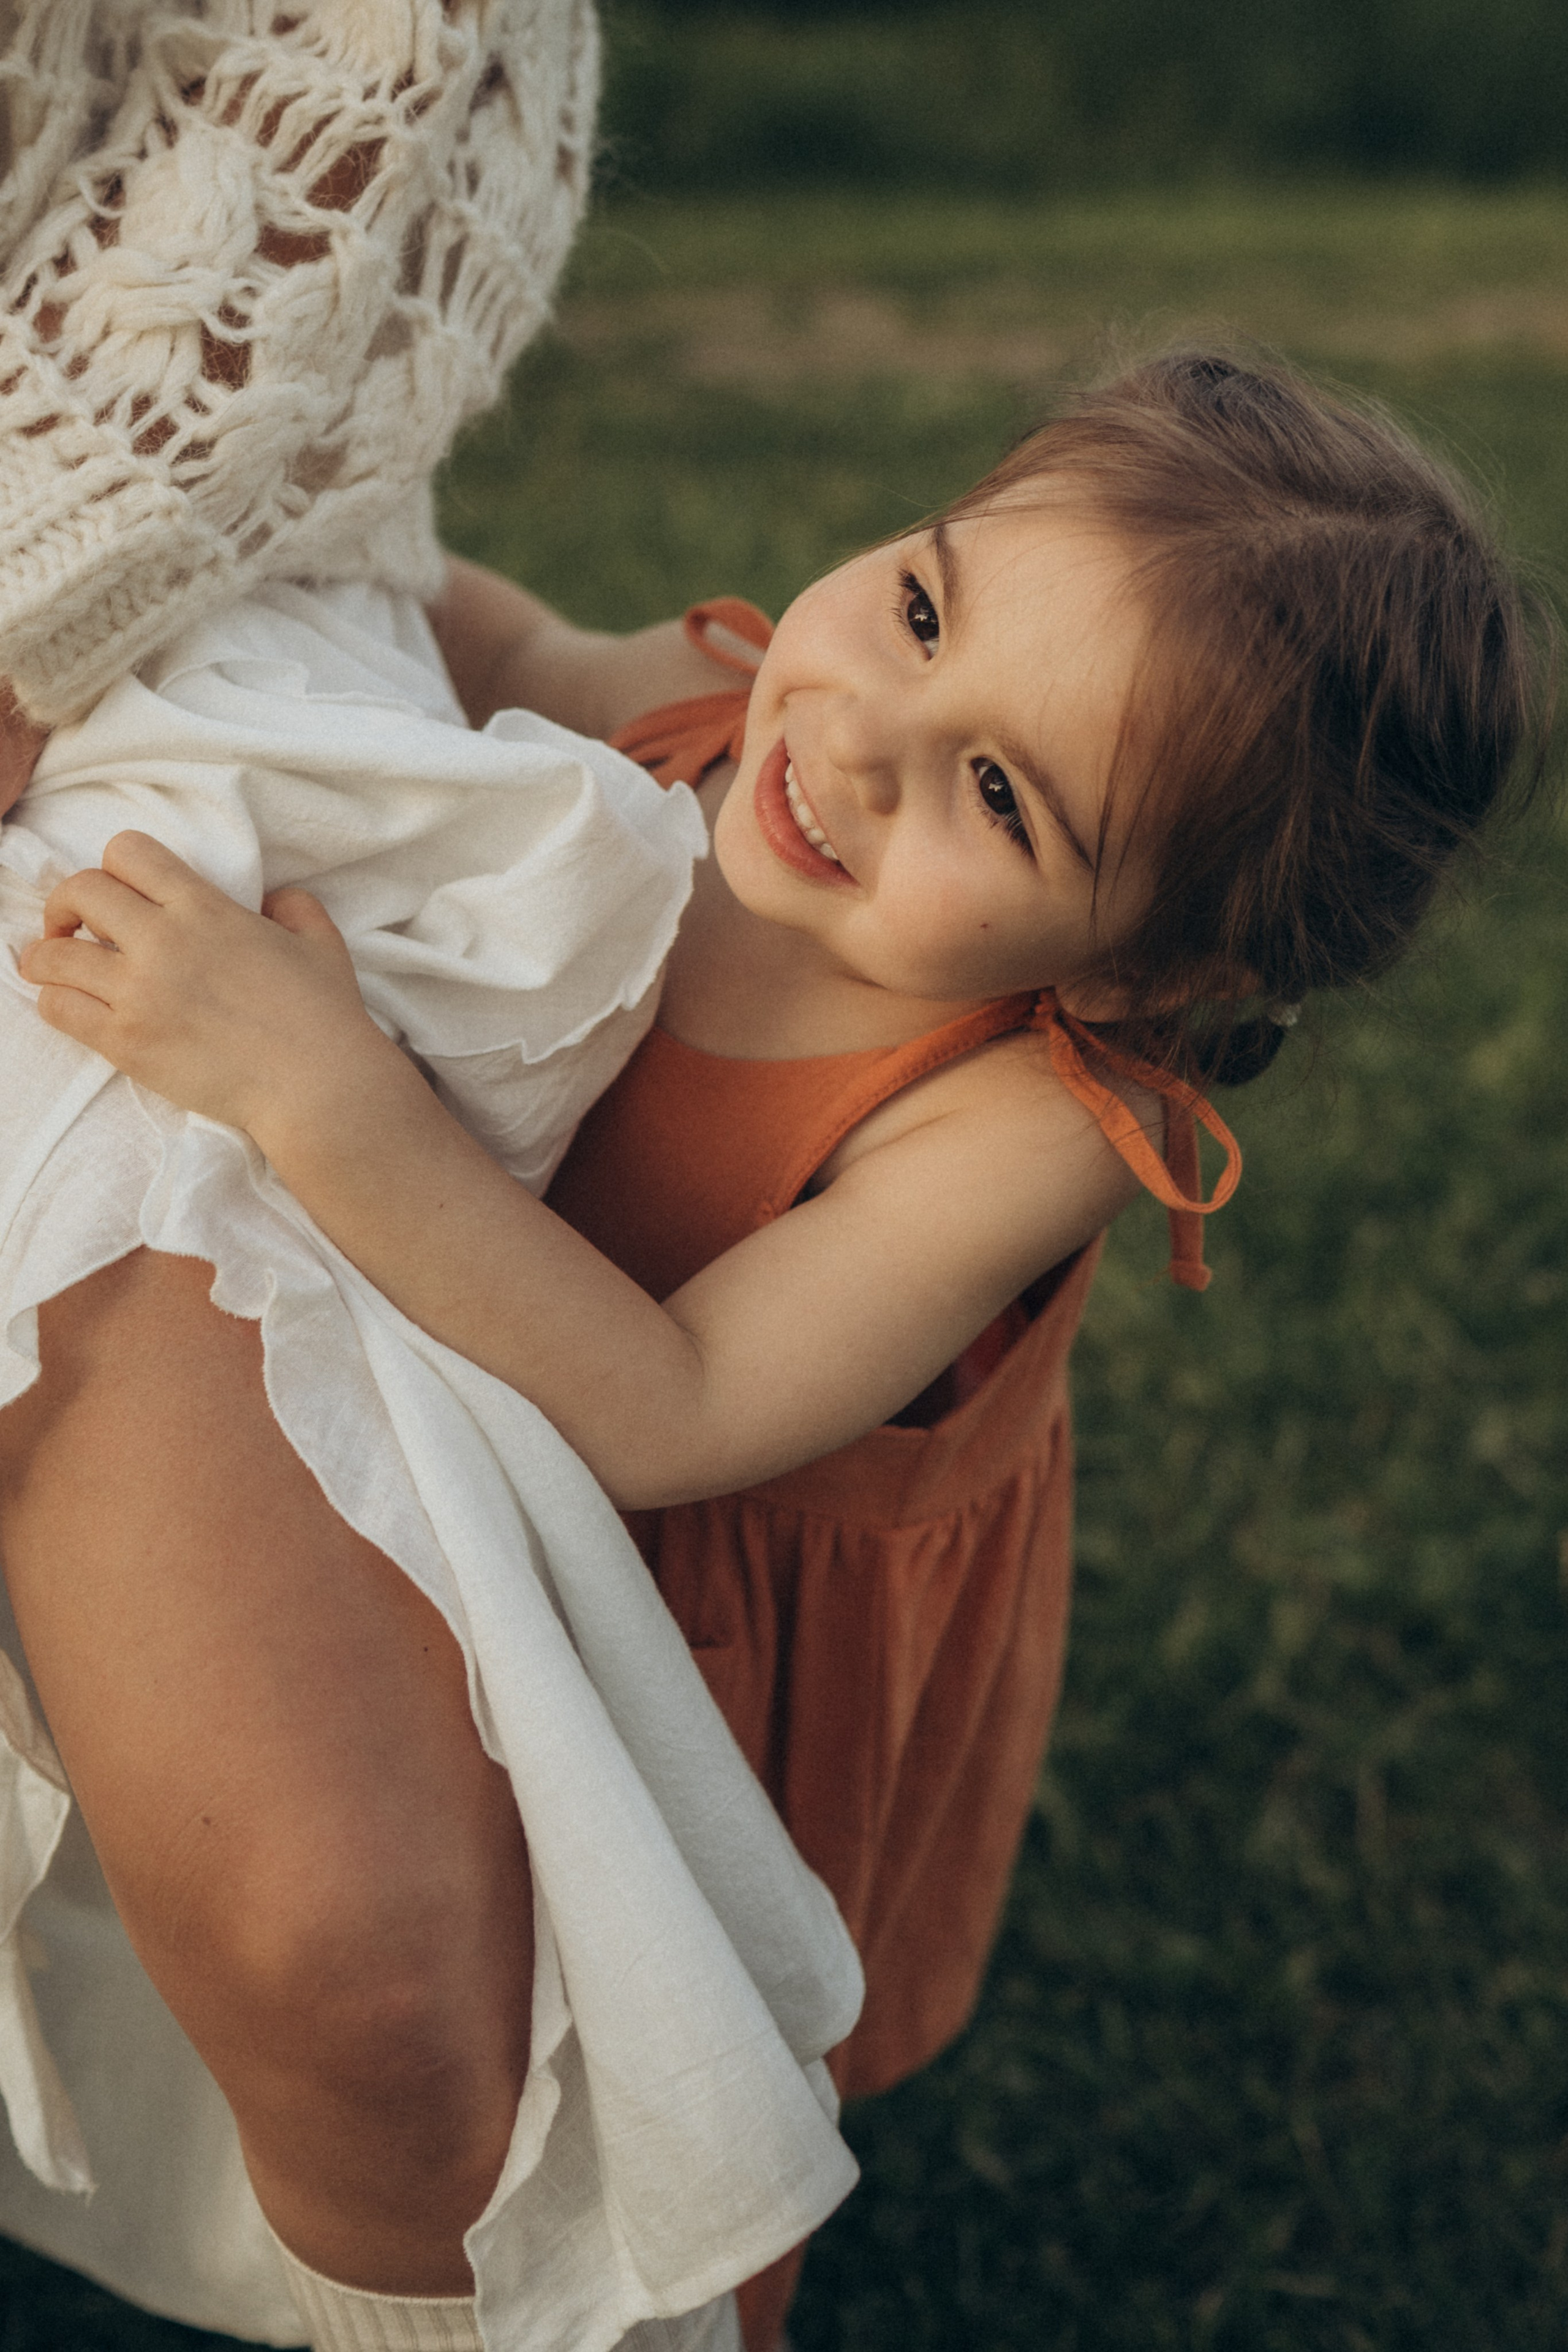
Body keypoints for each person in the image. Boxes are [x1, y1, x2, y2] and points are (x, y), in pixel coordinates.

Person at [20, 350, 1548, 2350]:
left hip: (710, 1593)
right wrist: (289, 515)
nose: (864, 740)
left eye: (1003, 795)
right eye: (923, 606)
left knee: (631, 1994)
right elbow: (474, 622)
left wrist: (333, 1101)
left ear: (1146, 966)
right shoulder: (723, 708)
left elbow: (680, 1405)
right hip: (498, 1437)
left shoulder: (1018, 1124)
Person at [0, 7, 866, 2352]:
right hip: (116, 707)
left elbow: (259, 384)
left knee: (377, 1978)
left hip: (154, 684)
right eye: (922, 602)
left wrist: (340, 1091)